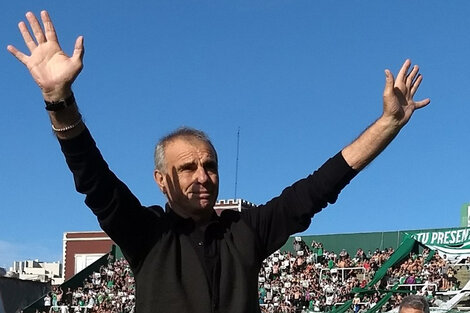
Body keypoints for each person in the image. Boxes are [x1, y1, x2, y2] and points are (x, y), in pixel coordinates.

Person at [8, 10, 430, 313]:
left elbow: (322, 185)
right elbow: (92, 177)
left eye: (209, 165)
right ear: (161, 180)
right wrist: (57, 98)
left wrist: (389, 123)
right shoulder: (146, 234)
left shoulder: (246, 231)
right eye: (188, 168)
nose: (203, 176)